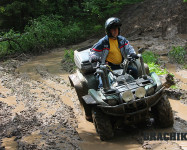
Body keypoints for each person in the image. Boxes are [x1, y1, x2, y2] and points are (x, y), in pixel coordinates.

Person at [89, 17, 138, 88]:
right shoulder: (103, 42)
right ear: (109, 31)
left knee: (135, 71)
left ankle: (136, 90)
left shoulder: (122, 40)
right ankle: (103, 96)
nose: (115, 31)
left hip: (121, 65)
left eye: (117, 29)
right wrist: (93, 57)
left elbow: (129, 48)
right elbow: (93, 51)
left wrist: (132, 54)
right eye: (113, 29)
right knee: (103, 83)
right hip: (107, 67)